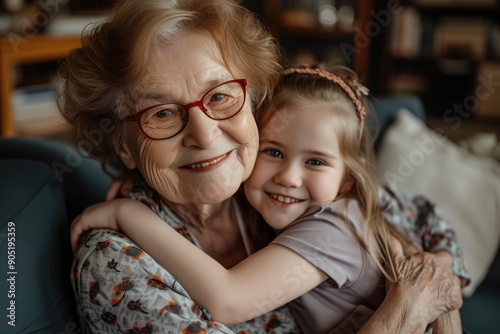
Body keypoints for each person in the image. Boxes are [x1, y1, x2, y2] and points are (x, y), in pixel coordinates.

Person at [60, 0, 463, 332]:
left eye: (219, 96)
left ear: (252, 103)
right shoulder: (115, 264)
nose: (204, 135)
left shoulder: (280, 191)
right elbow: (228, 299)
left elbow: (429, 229)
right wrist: (405, 310)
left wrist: (432, 271)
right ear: (122, 145)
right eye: (162, 112)